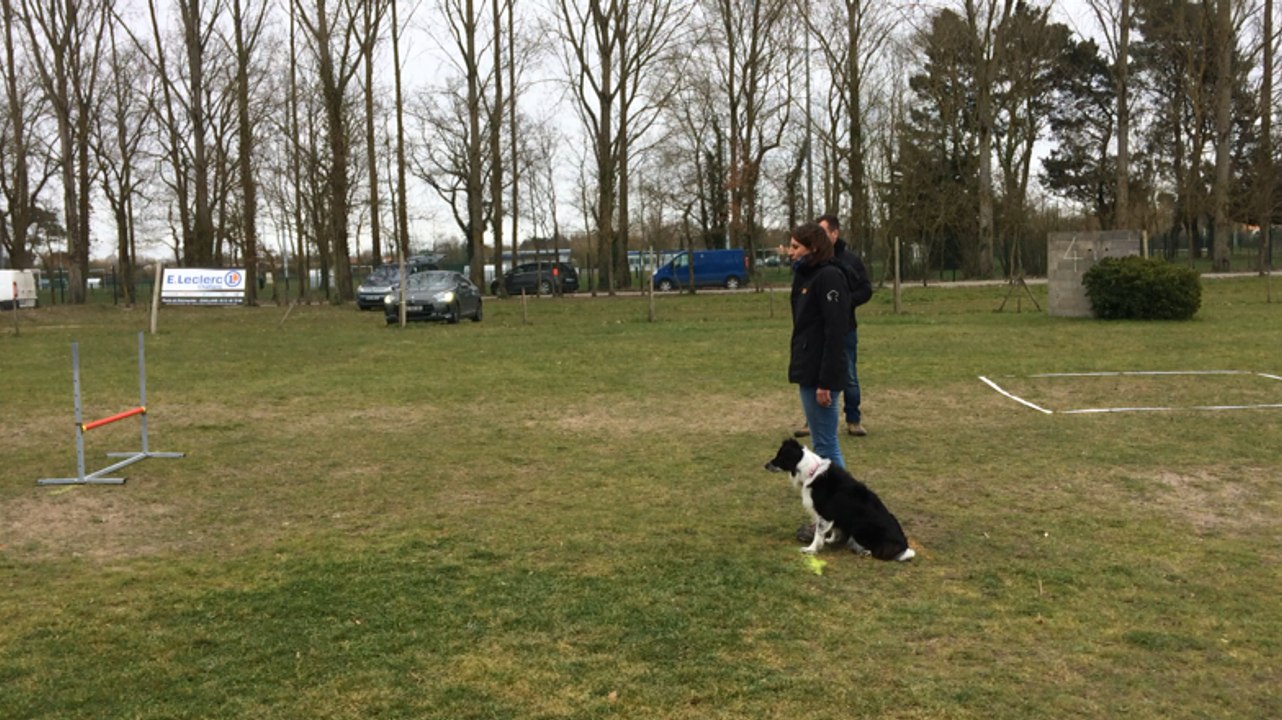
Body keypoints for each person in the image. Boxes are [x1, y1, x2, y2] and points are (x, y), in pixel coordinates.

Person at [793, 214, 874, 438]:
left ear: (834, 234)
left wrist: (843, 303)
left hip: (844, 329)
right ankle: (812, 421)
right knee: (813, 376)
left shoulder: (849, 261)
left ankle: (853, 418)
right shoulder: (808, 267)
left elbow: (865, 290)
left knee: (847, 373)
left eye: (823, 232)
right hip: (814, 336)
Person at [785, 222, 851, 470]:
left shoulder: (829, 277)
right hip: (808, 366)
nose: (791, 252)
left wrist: (825, 382)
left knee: (825, 445)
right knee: (821, 441)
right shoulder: (807, 275)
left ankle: (845, 502)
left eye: (795, 246)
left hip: (820, 374)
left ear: (812, 247)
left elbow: (835, 332)